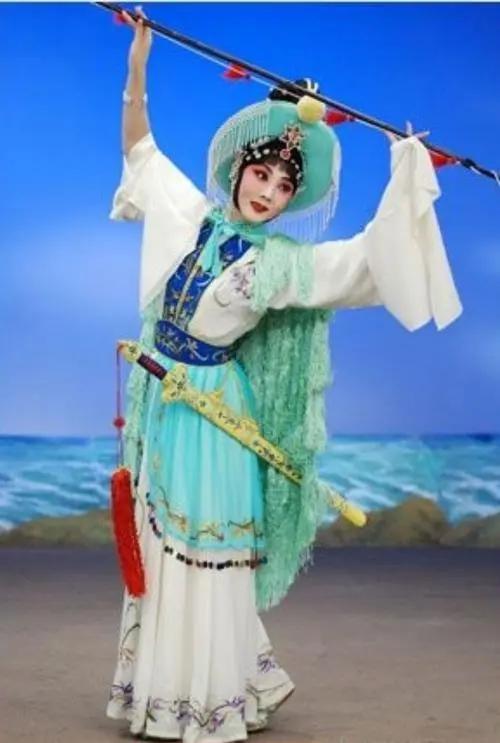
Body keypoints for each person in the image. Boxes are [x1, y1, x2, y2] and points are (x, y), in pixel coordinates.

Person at [105, 7, 463, 742]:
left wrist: (407, 175)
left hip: (214, 415)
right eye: (261, 173)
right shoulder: (189, 216)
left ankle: (210, 701)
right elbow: (141, 147)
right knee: (160, 552)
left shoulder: (281, 265)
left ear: (292, 201)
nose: (267, 192)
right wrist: (139, 62)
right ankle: (163, 693)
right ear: (239, 170)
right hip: (162, 401)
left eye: (282, 186)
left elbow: (365, 261)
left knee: (200, 551)